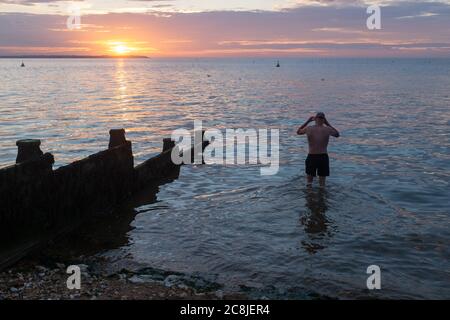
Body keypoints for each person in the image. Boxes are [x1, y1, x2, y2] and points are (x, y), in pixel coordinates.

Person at [297, 112, 340, 187]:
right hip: (323, 157)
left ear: (315, 119)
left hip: (312, 156)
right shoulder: (327, 129)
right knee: (322, 184)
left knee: (309, 183)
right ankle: (322, 197)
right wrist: (327, 123)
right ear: (324, 120)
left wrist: (308, 121)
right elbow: (337, 134)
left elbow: (298, 132)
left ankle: (310, 196)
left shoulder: (308, 128)